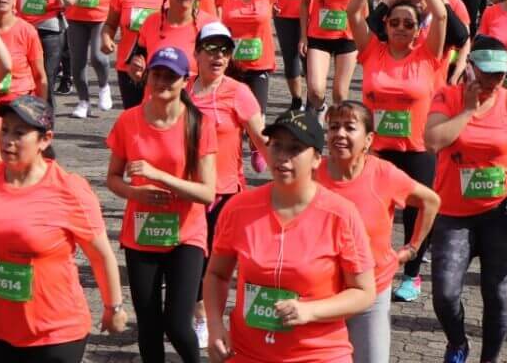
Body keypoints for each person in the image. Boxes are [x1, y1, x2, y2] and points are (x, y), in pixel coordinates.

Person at [0, 95, 130, 361]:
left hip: (57, 332)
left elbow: (100, 255)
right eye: (4, 130)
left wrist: (113, 306)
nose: (8, 140)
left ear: (45, 140)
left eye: (19, 133)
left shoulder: (69, 189)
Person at [424, 36, 507, 363]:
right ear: (469, 68)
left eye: (499, 75)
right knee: (444, 294)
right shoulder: (447, 96)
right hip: (453, 214)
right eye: (485, 73)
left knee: (497, 294)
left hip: (502, 213)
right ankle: (458, 342)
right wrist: (469, 111)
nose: (492, 82)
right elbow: (432, 140)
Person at [202, 109, 376, 363]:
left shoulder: (340, 214)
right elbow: (217, 274)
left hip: (318, 354)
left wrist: (310, 311)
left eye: (295, 149)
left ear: (317, 159)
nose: (283, 157)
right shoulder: (239, 208)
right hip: (248, 353)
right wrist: (215, 325)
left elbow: (364, 292)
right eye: (276, 146)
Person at [106, 46, 217, 363]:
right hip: (141, 234)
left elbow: (207, 193)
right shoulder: (129, 121)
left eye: (171, 76)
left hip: (186, 234)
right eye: (157, 74)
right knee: (149, 325)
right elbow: (113, 178)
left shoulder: (199, 124)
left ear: (185, 80)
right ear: (147, 77)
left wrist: (159, 177)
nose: (162, 82)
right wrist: (133, 193)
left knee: (178, 324)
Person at [347, 0, 448, 304]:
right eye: (395, 22)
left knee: (416, 211)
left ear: (418, 29)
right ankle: (364, 267)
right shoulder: (372, 51)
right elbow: (352, 14)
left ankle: (413, 270)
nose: (402, 28)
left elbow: (444, 15)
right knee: (369, 208)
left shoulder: (427, 55)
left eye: (409, 24)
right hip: (376, 150)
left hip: (417, 149)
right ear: (386, 25)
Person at [317, 100, 440, 363]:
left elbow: (431, 201)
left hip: (370, 295)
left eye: (350, 128)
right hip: (321, 293)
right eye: (333, 127)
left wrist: (413, 247)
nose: (339, 134)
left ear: (369, 139)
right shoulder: (312, 173)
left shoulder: (384, 174)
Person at [188, 22, 268, 345]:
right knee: (194, 260)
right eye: (210, 49)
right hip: (188, 192)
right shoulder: (183, 93)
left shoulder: (239, 93)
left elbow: (261, 139)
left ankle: (210, 318)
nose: (217, 57)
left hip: (225, 193)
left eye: (224, 50)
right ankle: (198, 314)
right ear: (196, 54)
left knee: (215, 262)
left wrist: (286, 174)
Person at [102, 0, 170, 111]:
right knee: (133, 116)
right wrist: (106, 37)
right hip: (129, 65)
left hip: (164, 67)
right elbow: (110, 23)